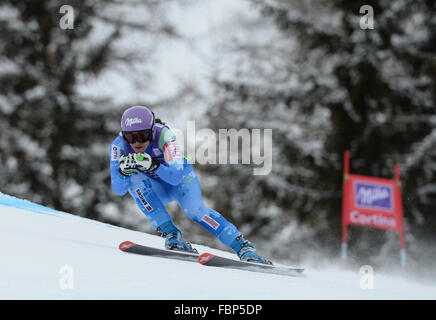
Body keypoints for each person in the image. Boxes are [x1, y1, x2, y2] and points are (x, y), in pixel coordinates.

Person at [110, 105, 271, 264]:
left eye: (143, 135)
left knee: (194, 210)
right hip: (156, 190)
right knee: (133, 178)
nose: (137, 142)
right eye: (131, 137)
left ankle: (243, 247)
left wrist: (153, 165)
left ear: (152, 132)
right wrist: (124, 173)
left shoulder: (165, 136)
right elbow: (118, 189)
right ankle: (172, 235)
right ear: (124, 135)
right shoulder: (118, 146)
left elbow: (176, 177)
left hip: (180, 181)